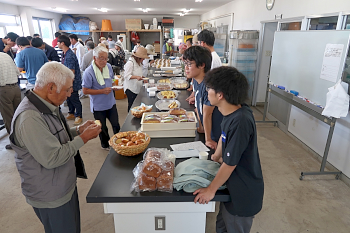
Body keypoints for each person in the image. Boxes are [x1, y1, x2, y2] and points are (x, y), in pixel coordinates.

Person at [10, 61, 101, 233]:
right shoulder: (30, 117)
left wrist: (78, 130)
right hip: (49, 193)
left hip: (62, 185)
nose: (70, 93)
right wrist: (83, 138)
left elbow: (53, 136)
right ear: (51, 87)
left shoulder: (46, 105)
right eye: (67, 89)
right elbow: (52, 158)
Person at [193, 66, 264, 233]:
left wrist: (211, 191)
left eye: (209, 88)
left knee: (233, 227)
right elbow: (223, 137)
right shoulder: (230, 111)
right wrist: (216, 156)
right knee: (221, 226)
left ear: (220, 95)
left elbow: (230, 163)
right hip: (231, 187)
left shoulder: (241, 121)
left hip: (243, 192)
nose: (206, 91)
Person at [183, 46, 223, 149]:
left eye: (189, 64)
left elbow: (207, 114)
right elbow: (198, 107)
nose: (186, 68)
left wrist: (208, 139)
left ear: (201, 65)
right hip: (206, 130)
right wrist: (201, 128)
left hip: (216, 136)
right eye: (185, 64)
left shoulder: (209, 86)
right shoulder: (196, 81)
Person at [82, 46, 121, 150]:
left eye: (106, 58)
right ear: (95, 58)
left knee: (116, 124)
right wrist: (102, 91)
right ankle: (105, 145)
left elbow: (111, 80)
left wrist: (114, 87)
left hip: (110, 102)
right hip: (98, 106)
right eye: (101, 58)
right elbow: (85, 90)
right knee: (102, 128)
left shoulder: (108, 67)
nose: (104, 61)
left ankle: (120, 142)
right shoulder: (89, 72)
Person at [58, 35, 83, 125]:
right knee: (68, 98)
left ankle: (79, 116)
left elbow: (71, 71)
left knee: (74, 98)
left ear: (62, 43)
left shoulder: (69, 55)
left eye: (58, 42)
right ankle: (71, 112)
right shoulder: (64, 54)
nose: (57, 44)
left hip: (72, 81)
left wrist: (70, 85)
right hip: (67, 81)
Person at [0, 52, 21, 150]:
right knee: (18, 116)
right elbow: (17, 72)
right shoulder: (6, 55)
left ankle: (15, 143)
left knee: (8, 118)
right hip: (16, 88)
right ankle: (24, 139)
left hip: (4, 90)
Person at [123, 47, 148, 111]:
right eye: (143, 58)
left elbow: (137, 72)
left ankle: (136, 114)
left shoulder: (138, 63)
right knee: (132, 105)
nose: (143, 59)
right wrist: (136, 77)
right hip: (131, 88)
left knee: (136, 104)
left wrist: (142, 77)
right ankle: (130, 118)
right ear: (138, 57)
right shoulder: (130, 63)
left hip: (136, 87)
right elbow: (126, 75)